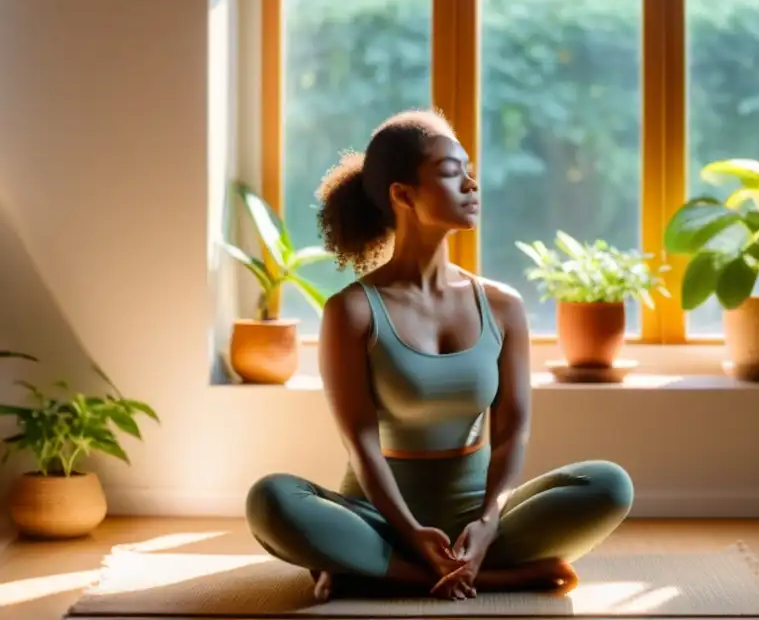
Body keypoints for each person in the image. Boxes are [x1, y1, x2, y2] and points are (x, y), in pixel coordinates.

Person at [244, 108, 634, 602]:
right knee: (271, 501)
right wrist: (410, 531)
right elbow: (361, 443)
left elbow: (513, 429)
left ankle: (368, 571)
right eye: (453, 174)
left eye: (470, 170)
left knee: (608, 485)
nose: (472, 185)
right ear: (402, 194)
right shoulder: (353, 311)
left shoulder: (502, 306)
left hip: (478, 521)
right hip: (379, 519)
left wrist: (490, 521)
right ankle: (485, 576)